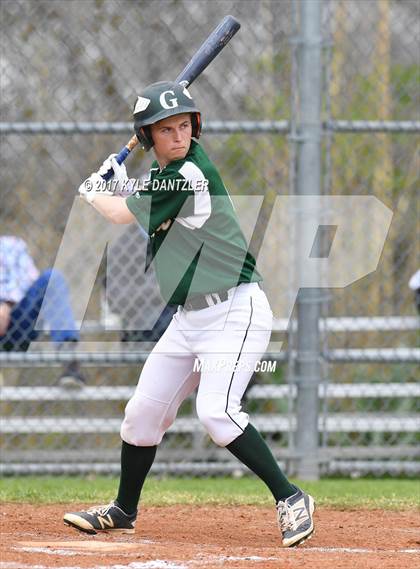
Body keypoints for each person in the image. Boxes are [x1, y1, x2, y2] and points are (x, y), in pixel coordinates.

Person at [63, 81, 315, 547]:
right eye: (165, 129)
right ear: (149, 137)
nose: (178, 136)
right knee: (141, 415)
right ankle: (124, 509)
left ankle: (291, 496)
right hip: (187, 319)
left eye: (184, 126)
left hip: (234, 311)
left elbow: (122, 215)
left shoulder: (188, 173)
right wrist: (117, 182)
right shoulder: (166, 175)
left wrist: (93, 191)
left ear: (194, 129)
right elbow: (144, 195)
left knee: (217, 413)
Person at [0, 235, 85, 388]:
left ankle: (69, 358)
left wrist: (7, 304)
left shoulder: (12, 245)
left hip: (17, 319)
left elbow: (29, 278)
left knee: (52, 277)